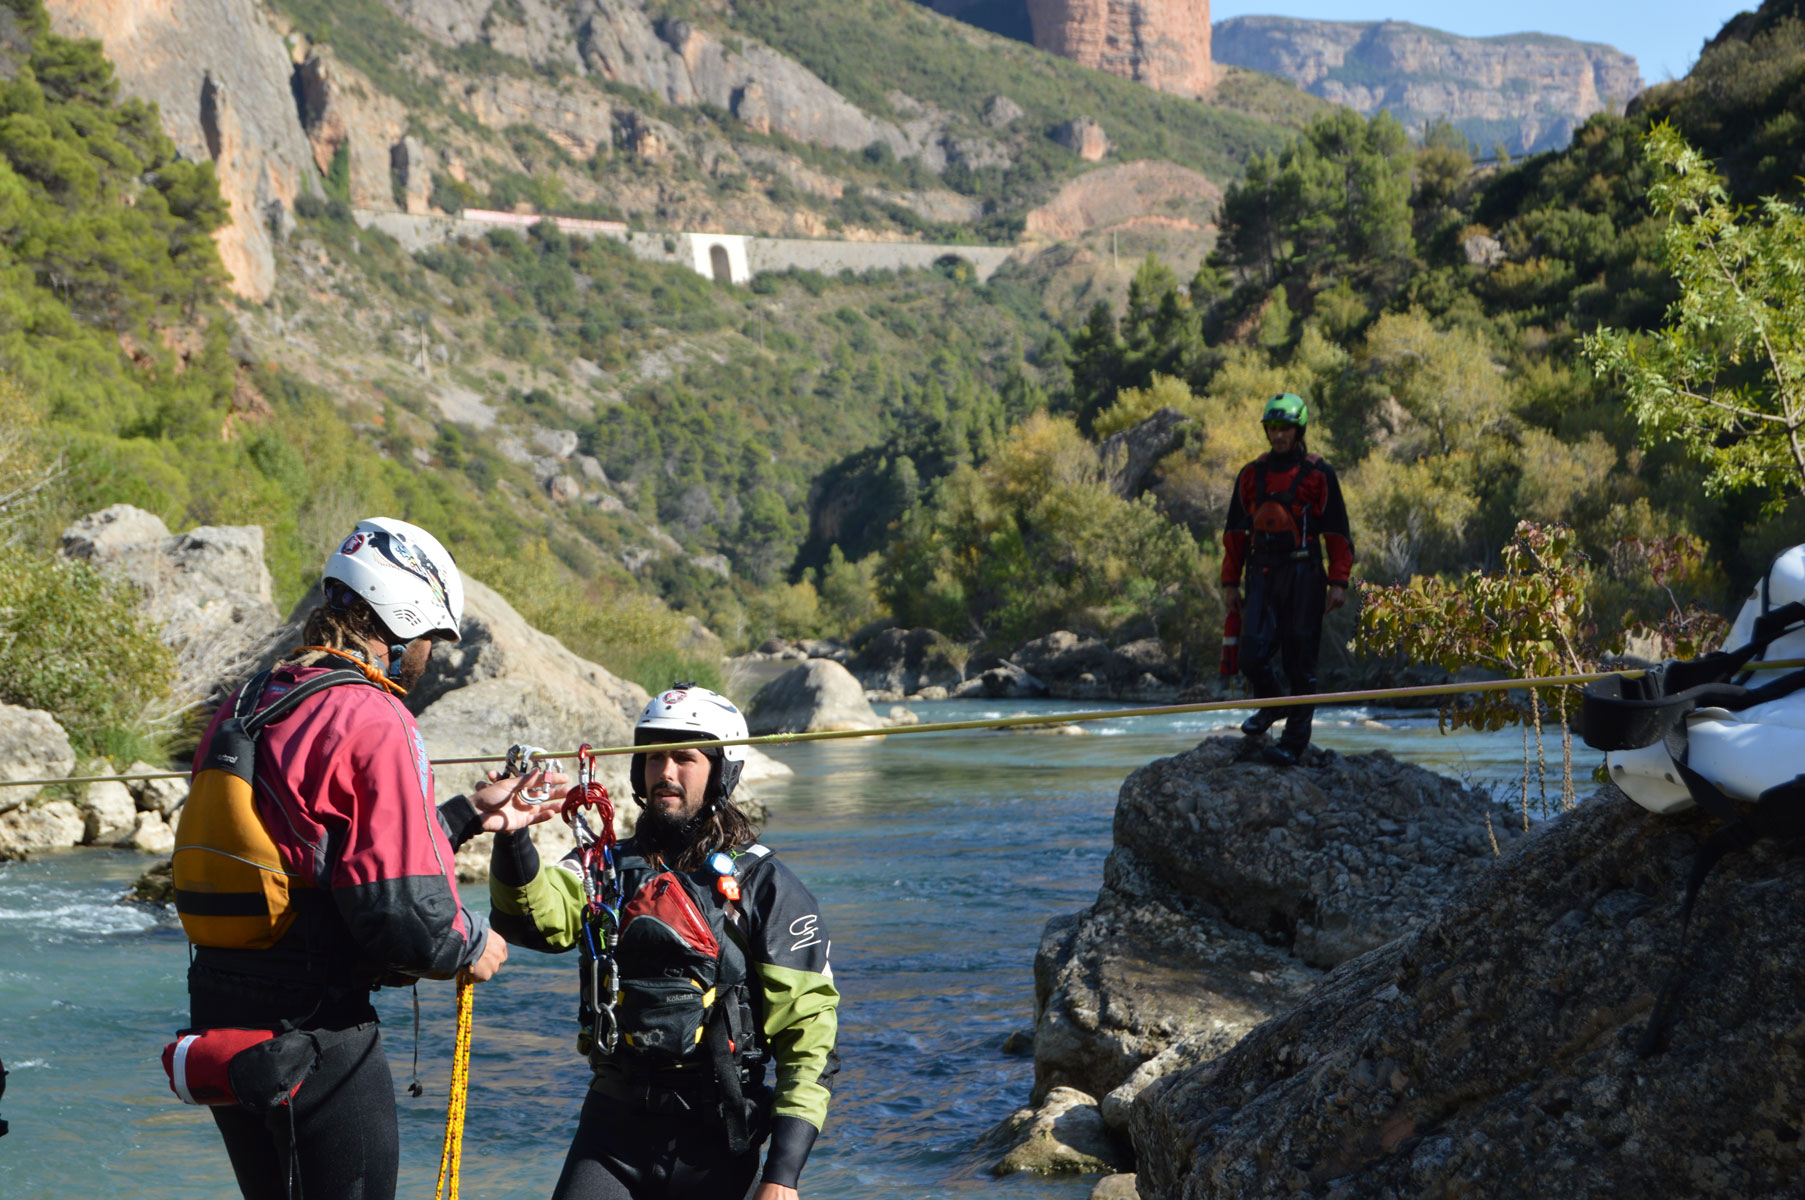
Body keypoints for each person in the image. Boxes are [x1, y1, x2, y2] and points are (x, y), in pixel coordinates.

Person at [179, 517, 563, 1200]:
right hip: (316, 1030)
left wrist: (472, 812)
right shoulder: (374, 717)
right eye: (431, 640)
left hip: (221, 1016)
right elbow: (400, 918)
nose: (428, 659)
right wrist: (470, 943)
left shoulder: (251, 700)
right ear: (405, 618)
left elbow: (317, 854)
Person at [488, 685, 839, 1200]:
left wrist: (782, 1175)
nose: (665, 772)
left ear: (722, 770)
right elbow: (535, 920)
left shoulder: (767, 885)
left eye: (684, 758)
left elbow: (809, 1036)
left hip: (717, 1136)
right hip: (612, 1128)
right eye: (654, 757)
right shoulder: (603, 867)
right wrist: (513, 836)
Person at [1221, 393, 1354, 766]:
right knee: (1251, 654)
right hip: (1261, 573)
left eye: (1286, 429)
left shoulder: (1319, 474)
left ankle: (1292, 745)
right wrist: (1230, 584)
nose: (1279, 436)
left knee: (1301, 660)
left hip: (1305, 574)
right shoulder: (1251, 475)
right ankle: (1273, 704)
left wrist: (1338, 582)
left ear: (1300, 430)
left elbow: (1338, 533)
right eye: (1273, 428)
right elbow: (1234, 534)